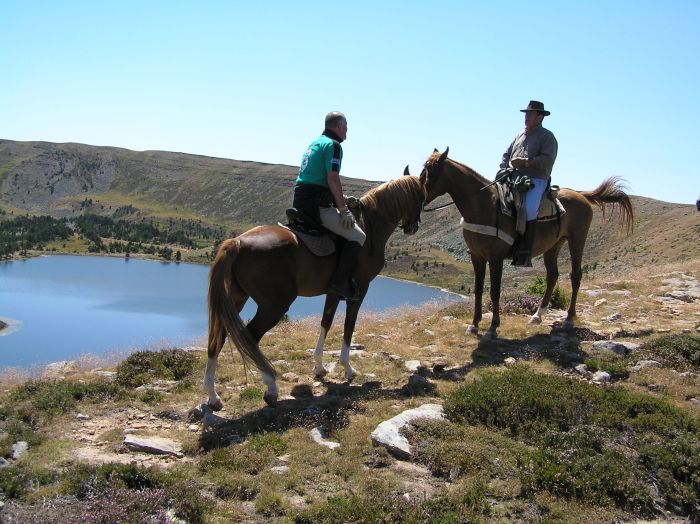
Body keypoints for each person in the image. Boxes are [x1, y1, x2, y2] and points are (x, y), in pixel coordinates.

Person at [293, 111, 367, 300]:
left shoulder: (315, 143)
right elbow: (332, 178)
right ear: (339, 127)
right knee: (358, 236)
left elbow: (316, 178)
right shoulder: (333, 146)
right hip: (316, 205)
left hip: (301, 200)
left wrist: (340, 198)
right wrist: (343, 210)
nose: (347, 132)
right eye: (346, 127)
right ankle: (339, 282)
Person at [500, 100, 558, 266]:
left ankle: (524, 251)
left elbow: (548, 159)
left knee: (529, 208)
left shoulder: (547, 136)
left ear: (540, 117)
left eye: (530, 113)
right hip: (514, 177)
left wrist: (526, 162)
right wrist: (505, 167)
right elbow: (506, 154)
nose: (526, 116)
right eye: (526, 113)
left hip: (536, 179)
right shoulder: (520, 135)